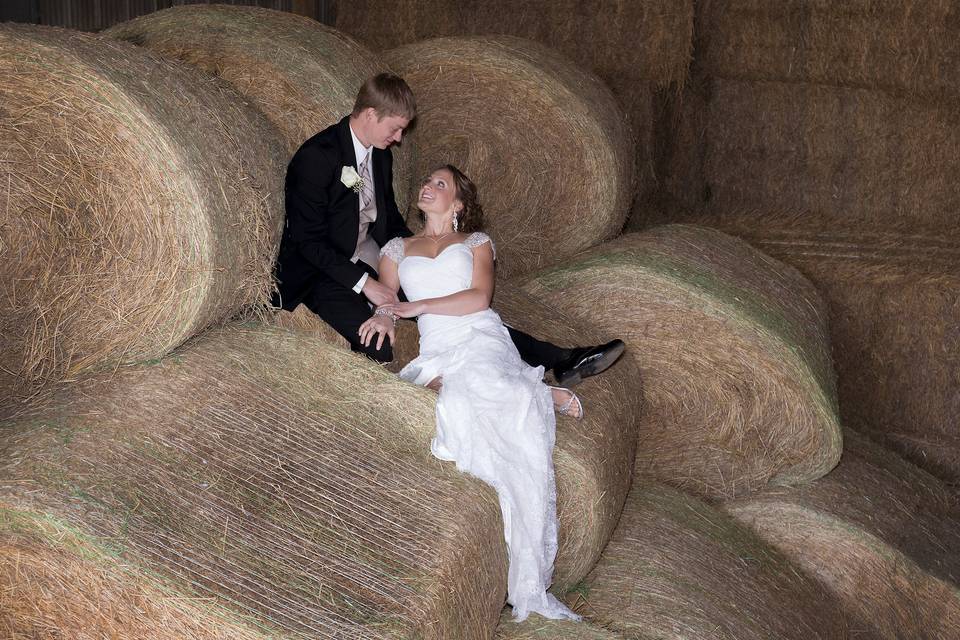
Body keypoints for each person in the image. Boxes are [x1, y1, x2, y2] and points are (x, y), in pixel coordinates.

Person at [271, 72, 623, 386]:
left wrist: (419, 253)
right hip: (321, 271)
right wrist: (368, 287)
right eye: (394, 128)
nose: (398, 139)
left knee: (466, 310)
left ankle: (559, 359)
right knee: (376, 345)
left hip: (371, 258)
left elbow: (388, 218)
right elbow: (307, 242)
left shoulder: (380, 153)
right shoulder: (317, 157)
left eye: (403, 131)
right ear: (368, 115)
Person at [361, 164, 582, 620]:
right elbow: (386, 294)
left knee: (478, 390)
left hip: (479, 335)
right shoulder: (398, 248)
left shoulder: (476, 243)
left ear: (459, 203)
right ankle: (537, 396)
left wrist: (415, 305)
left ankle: (536, 394)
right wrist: (386, 316)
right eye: (427, 181)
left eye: (441, 184)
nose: (428, 186)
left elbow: (480, 298)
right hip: (439, 345)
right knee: (458, 402)